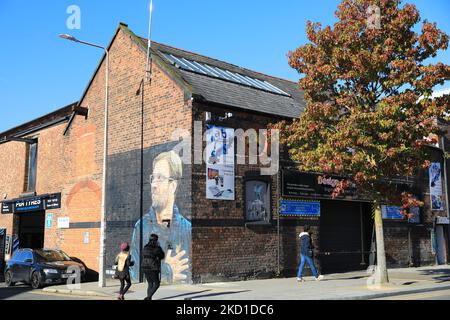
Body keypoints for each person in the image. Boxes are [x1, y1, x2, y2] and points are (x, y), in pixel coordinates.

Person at [131, 151, 191, 284]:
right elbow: (134, 273)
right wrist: (167, 271)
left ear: (173, 186)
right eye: (153, 178)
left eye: (160, 178)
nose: (153, 185)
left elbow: (191, 272)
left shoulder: (187, 229)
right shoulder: (141, 227)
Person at [142, 234, 165, 300]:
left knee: (150, 283)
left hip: (144, 267)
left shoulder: (145, 247)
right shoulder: (157, 248)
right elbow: (162, 256)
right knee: (157, 284)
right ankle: (148, 297)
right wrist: (159, 247)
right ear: (156, 240)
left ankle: (149, 298)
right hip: (152, 267)